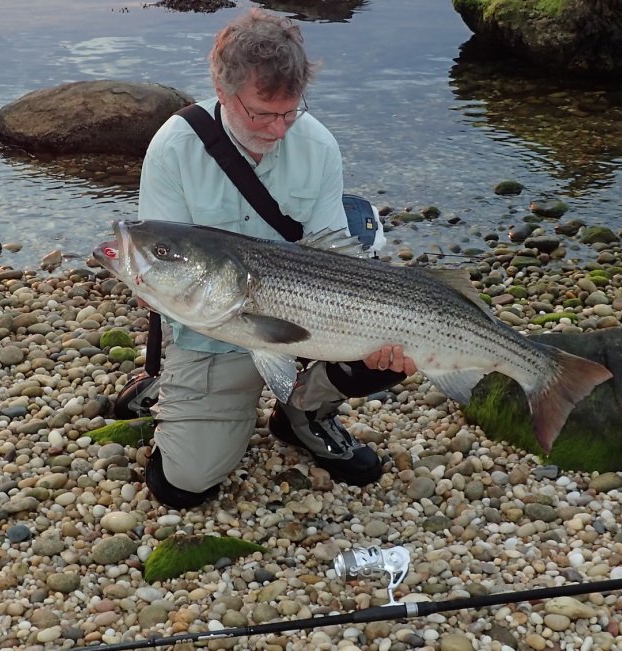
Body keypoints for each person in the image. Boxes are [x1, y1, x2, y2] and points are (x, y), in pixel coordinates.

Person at [133, 8, 417, 509]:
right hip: (208, 332)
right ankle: (181, 409)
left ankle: (303, 412)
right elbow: (161, 272)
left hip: (303, 318)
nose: (280, 129)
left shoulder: (318, 144)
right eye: (263, 114)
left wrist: (373, 329)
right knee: (184, 485)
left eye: (291, 112)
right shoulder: (173, 148)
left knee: (393, 348)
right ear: (223, 89)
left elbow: (333, 255)